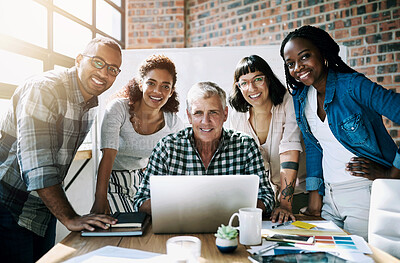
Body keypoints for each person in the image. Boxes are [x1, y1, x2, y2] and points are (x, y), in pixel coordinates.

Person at [0, 37, 122, 262]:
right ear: (78, 60)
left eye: (113, 69)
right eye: (97, 62)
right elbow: (39, 164)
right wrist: (70, 217)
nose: (104, 73)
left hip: (44, 210)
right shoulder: (44, 89)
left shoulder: (91, 102)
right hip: (10, 207)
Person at [280, 25, 400, 240]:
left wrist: (391, 174)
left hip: (365, 194)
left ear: (323, 53)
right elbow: (315, 148)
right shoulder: (301, 97)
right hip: (329, 198)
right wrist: (315, 199)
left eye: (305, 57)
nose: (298, 67)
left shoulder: (354, 86)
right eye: (291, 64)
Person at [133, 81, 275, 215]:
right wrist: (180, 208)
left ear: (225, 114)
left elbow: (267, 197)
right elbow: (141, 200)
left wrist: (233, 209)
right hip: (179, 232)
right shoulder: (167, 148)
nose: (205, 121)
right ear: (189, 116)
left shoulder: (246, 146)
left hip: (232, 230)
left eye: (213, 112)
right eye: (198, 113)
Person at [90, 54, 184, 214]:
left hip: (145, 182)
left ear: (171, 91)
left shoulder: (173, 123)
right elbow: (108, 156)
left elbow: (174, 167)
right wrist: (100, 198)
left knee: (151, 227)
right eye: (151, 83)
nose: (157, 91)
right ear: (141, 84)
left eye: (165, 86)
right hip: (113, 180)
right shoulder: (118, 109)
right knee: (128, 228)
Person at [229, 55, 307, 224]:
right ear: (238, 87)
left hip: (299, 196)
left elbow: (289, 151)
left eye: (258, 79)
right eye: (244, 83)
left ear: (268, 79)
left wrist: (285, 205)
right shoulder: (237, 116)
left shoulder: (288, 101)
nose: (252, 88)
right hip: (265, 203)